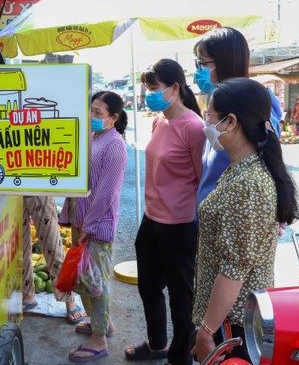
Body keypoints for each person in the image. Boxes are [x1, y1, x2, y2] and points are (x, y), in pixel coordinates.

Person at [191, 78, 299, 362]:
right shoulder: (240, 169)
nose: (206, 124)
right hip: (227, 321)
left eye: (210, 116)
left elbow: (233, 271)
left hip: (234, 328)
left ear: (230, 122)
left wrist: (206, 331)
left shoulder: (249, 183)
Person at [125, 59, 205, 365]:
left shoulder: (194, 128)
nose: (149, 94)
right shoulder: (159, 121)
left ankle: (180, 355)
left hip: (180, 225)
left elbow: (203, 181)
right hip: (152, 219)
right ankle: (158, 343)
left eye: (154, 88)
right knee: (148, 285)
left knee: (181, 297)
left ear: (174, 88)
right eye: (147, 88)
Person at [58, 91, 128, 363]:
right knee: (85, 276)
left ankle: (99, 340)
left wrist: (87, 226)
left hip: (96, 226)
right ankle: (103, 325)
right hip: (82, 221)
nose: (93, 117)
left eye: (99, 114)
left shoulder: (115, 146)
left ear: (113, 118)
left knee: (95, 281)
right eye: (92, 111)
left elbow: (106, 194)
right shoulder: (94, 137)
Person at [193, 27, 282, 225]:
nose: (198, 70)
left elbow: (270, 163)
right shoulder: (216, 103)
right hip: (210, 220)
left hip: (235, 221)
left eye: (203, 62)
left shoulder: (256, 102)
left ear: (225, 61)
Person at [21, 196, 83, 323]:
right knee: (19, 242)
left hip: (38, 182)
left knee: (52, 242)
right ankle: (27, 295)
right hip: (10, 184)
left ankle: (69, 299)